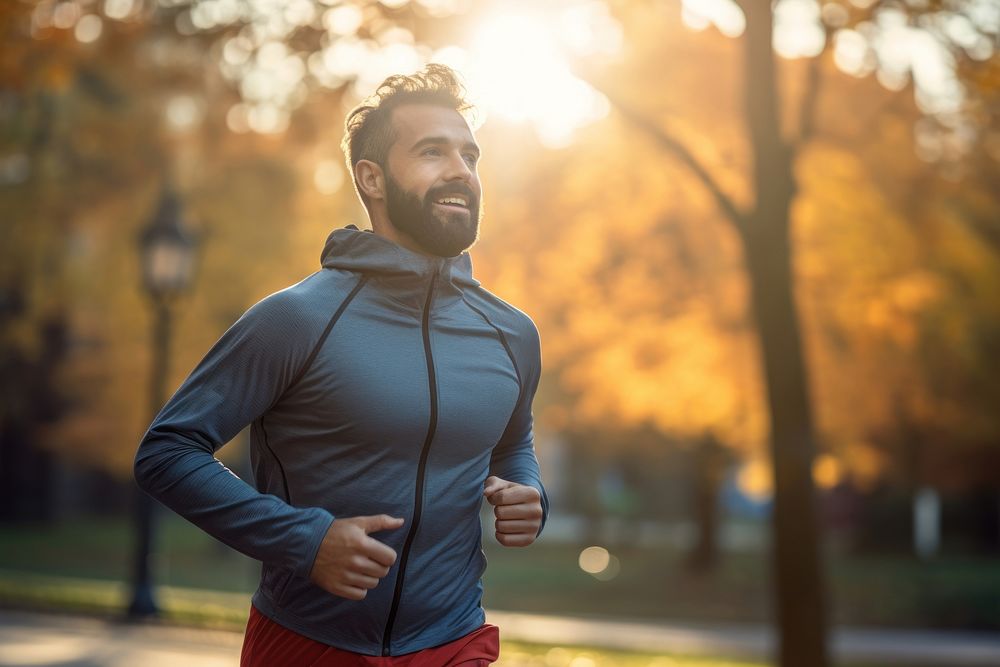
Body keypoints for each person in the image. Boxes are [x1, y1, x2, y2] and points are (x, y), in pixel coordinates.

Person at [133, 64, 548, 666]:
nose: (461, 171)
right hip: (309, 644)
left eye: (470, 155)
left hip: (455, 642)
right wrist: (305, 540)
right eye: (432, 152)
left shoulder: (512, 333)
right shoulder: (297, 319)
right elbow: (167, 452)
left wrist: (529, 490)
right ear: (371, 179)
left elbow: (514, 445)